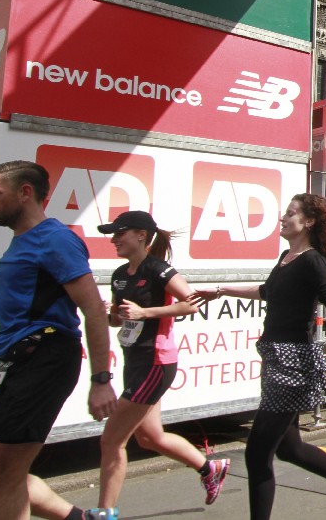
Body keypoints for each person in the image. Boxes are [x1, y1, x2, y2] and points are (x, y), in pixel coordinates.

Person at [192, 194, 326, 520]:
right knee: (289, 448)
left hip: (294, 365)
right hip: (275, 358)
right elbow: (267, 292)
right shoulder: (287, 258)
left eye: (290, 214)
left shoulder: (314, 262)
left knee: (257, 453)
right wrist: (220, 291)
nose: (282, 218)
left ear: (308, 222)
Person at [0, 161, 118, 520]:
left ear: (25, 193)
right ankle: (81, 518)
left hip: (45, 359)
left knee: (5, 478)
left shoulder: (55, 239)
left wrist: (101, 380)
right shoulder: (22, 240)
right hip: (12, 363)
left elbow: (93, 310)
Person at [85, 211, 230, 519]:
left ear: (141, 235)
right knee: (150, 437)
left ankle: (105, 513)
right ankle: (210, 468)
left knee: (112, 440)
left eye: (119, 233)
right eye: (112, 235)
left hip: (156, 361)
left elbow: (191, 303)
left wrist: (145, 312)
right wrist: (109, 313)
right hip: (134, 361)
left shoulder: (158, 269)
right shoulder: (120, 274)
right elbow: (118, 320)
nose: (113, 240)